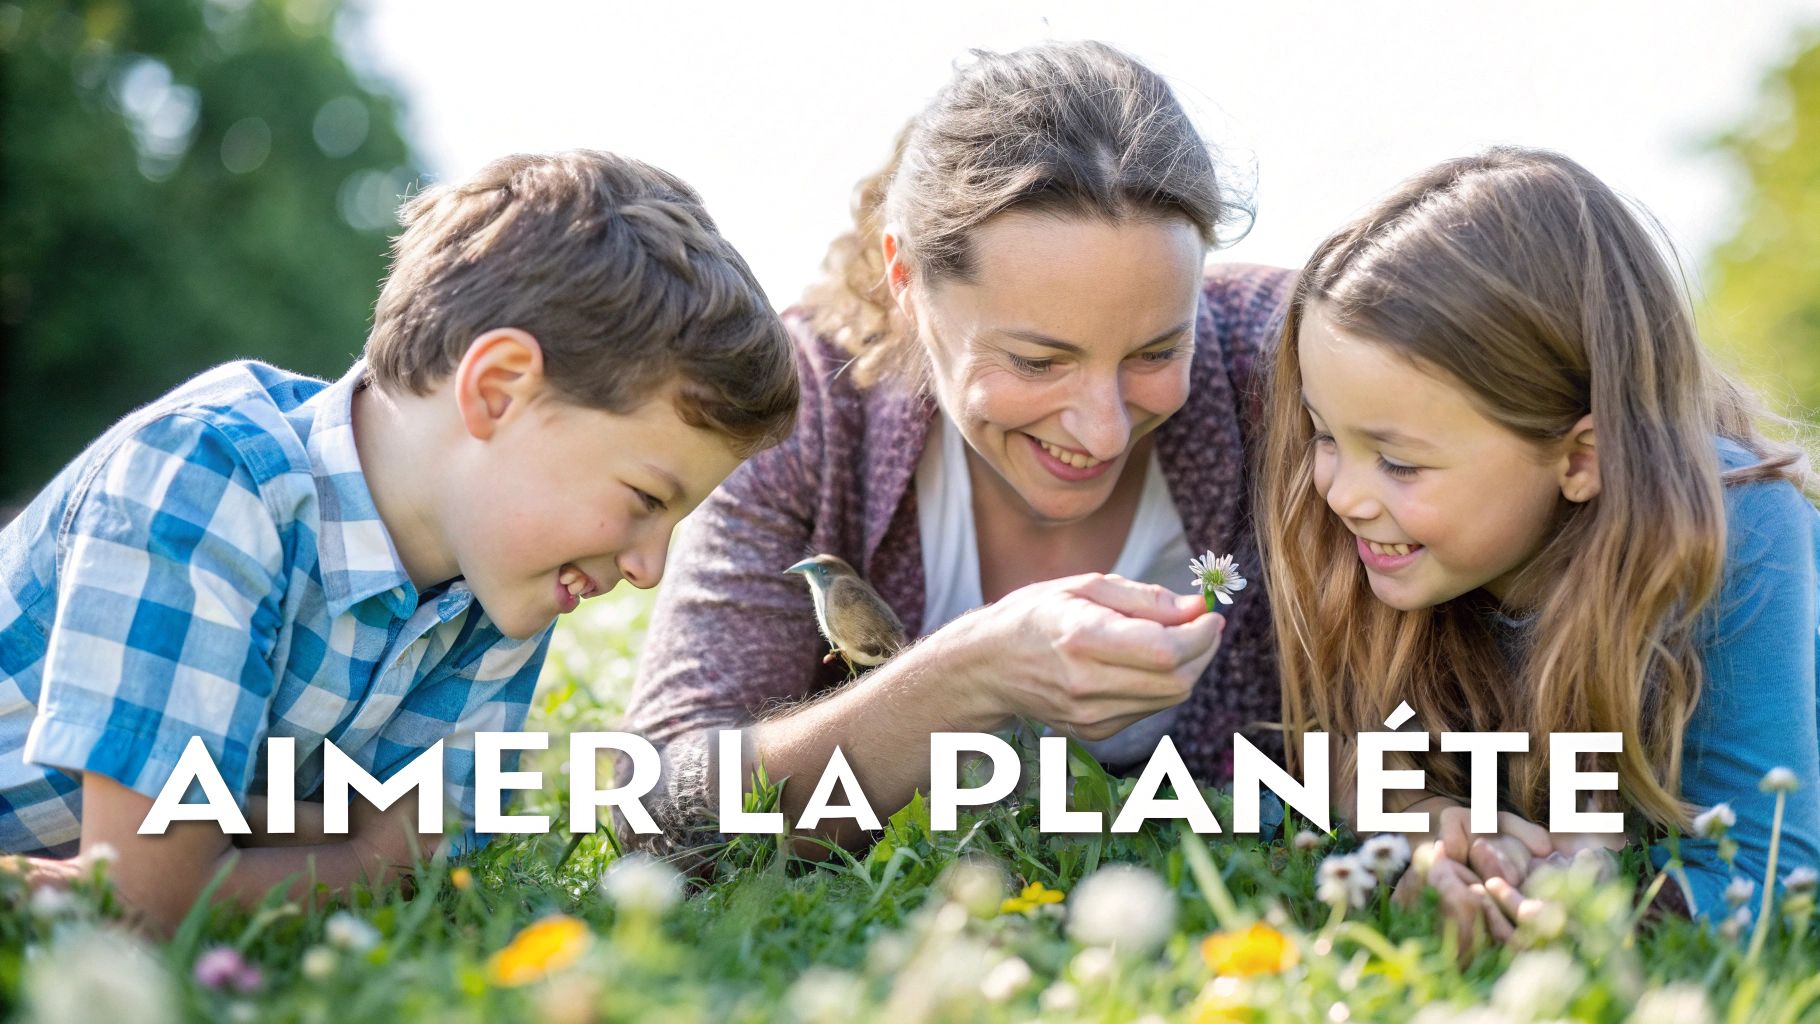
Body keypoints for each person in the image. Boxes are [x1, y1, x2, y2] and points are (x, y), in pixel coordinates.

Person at [0, 150, 799, 931]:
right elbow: (144, 899)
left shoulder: (499, 583)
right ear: (498, 389)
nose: (650, 567)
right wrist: (354, 861)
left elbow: (429, 854)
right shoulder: (210, 478)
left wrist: (239, 841)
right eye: (645, 499)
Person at [619, 41, 1295, 857]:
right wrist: (965, 677)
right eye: (1037, 361)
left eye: (1157, 352)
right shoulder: (813, 410)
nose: (1104, 430)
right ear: (905, 279)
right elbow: (656, 811)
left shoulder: (1283, 360)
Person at [1255, 146, 1819, 940]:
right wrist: (1426, 827)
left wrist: (1578, 914)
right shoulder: (1413, 557)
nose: (1342, 494)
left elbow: (1771, 875)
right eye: (1324, 436)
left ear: (1581, 458)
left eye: (1399, 462)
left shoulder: (1740, 525)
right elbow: (1328, 769)